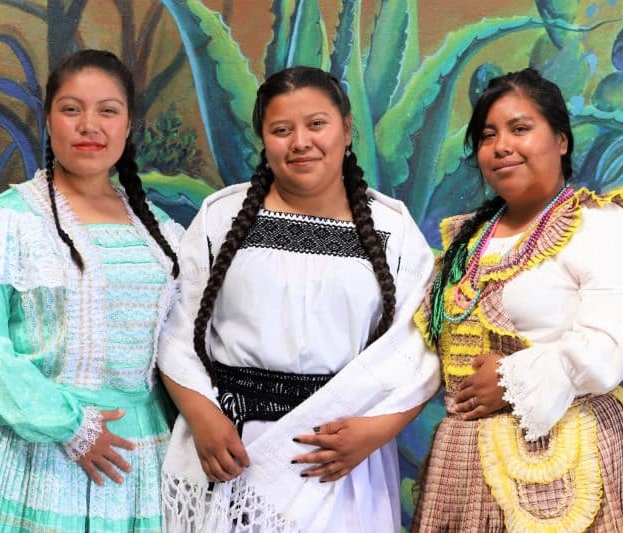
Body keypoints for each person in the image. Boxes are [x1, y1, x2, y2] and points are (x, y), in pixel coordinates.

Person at [156, 66, 439, 532]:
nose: (300, 142)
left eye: (317, 124)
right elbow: (175, 329)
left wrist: (374, 432)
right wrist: (202, 415)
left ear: (347, 128)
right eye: (281, 130)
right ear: (264, 140)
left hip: (338, 459)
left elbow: (417, 351)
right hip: (232, 449)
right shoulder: (221, 216)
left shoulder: (393, 230)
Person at [0, 49, 183, 532]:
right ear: (48, 121)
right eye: (71, 109)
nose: (90, 125)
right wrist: (71, 427)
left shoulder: (162, 233)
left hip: (138, 458)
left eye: (108, 111)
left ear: (128, 125)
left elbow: (180, 345)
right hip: (32, 456)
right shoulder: (9, 222)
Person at [411, 68, 623, 532]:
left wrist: (511, 380)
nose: (501, 146)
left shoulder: (598, 227)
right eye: (488, 135)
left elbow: (620, 341)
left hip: (568, 452)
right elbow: (426, 350)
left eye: (520, 128)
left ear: (561, 140)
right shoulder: (465, 242)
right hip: (462, 467)